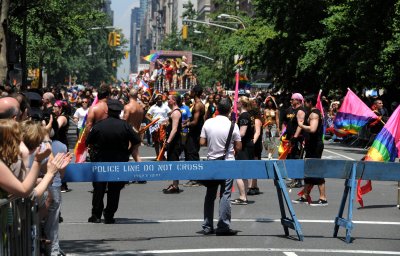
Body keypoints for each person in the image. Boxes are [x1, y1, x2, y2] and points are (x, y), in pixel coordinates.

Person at [86, 99, 141, 224]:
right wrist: (128, 151)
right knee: (114, 190)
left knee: (98, 189)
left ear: (107, 111)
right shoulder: (125, 125)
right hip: (119, 162)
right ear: (119, 112)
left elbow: (88, 141)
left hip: (101, 162)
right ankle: (109, 214)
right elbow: (137, 140)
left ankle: (96, 214)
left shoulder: (99, 125)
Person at [199, 98, 241, 236]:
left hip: (212, 161)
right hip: (228, 162)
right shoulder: (232, 125)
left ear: (217, 108)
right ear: (229, 110)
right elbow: (238, 146)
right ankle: (223, 225)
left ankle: (207, 225)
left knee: (210, 195)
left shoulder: (208, 122)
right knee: (225, 195)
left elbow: (202, 142)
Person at [292, 96, 327, 206]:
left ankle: (323, 198)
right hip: (311, 145)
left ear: (309, 102)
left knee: (316, 170)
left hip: (315, 146)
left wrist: (301, 125)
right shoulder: (311, 113)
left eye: (305, 102)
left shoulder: (314, 114)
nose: (304, 104)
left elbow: (312, 129)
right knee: (309, 170)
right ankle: (305, 195)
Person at [231, 96, 255, 205]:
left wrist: (231, 136)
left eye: (237, 102)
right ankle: (244, 196)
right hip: (247, 146)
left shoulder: (244, 115)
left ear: (241, 104)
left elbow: (242, 133)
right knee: (244, 173)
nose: (236, 103)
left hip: (244, 146)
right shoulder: (247, 115)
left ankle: (242, 197)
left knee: (238, 173)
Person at [183, 86, 205, 187]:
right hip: (195, 133)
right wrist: (187, 121)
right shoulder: (197, 104)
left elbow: (195, 122)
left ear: (195, 93)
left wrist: (184, 125)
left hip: (195, 133)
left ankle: (195, 179)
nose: (189, 92)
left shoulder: (198, 105)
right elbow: (194, 118)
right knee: (190, 153)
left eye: (191, 91)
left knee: (192, 154)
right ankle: (194, 178)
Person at [284, 93, 306, 188]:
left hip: (298, 138)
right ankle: (295, 179)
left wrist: (295, 137)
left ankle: (298, 180)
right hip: (291, 137)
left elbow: (300, 125)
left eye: (292, 99)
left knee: (297, 158)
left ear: (298, 100)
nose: (291, 101)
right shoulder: (293, 110)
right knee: (292, 157)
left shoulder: (300, 111)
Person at [162, 94, 183, 193]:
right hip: (173, 141)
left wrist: (168, 142)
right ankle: (175, 184)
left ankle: (175, 186)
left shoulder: (176, 113)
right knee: (172, 162)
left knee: (174, 163)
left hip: (174, 142)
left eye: (169, 99)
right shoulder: (174, 112)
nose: (167, 100)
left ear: (174, 101)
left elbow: (174, 129)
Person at [145, 94, 171, 159]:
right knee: (156, 141)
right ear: (156, 100)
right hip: (155, 126)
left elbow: (170, 114)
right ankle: (157, 155)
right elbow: (147, 115)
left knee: (162, 141)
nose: (159, 100)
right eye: (158, 99)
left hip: (163, 125)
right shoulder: (153, 107)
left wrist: (167, 120)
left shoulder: (165, 107)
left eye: (160, 99)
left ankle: (162, 155)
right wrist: (153, 120)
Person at [122, 89, 144, 162]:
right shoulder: (141, 108)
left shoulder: (127, 107)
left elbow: (124, 122)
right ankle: (141, 169)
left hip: (128, 133)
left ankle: (124, 171)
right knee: (135, 153)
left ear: (129, 95)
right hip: (137, 133)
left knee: (124, 154)